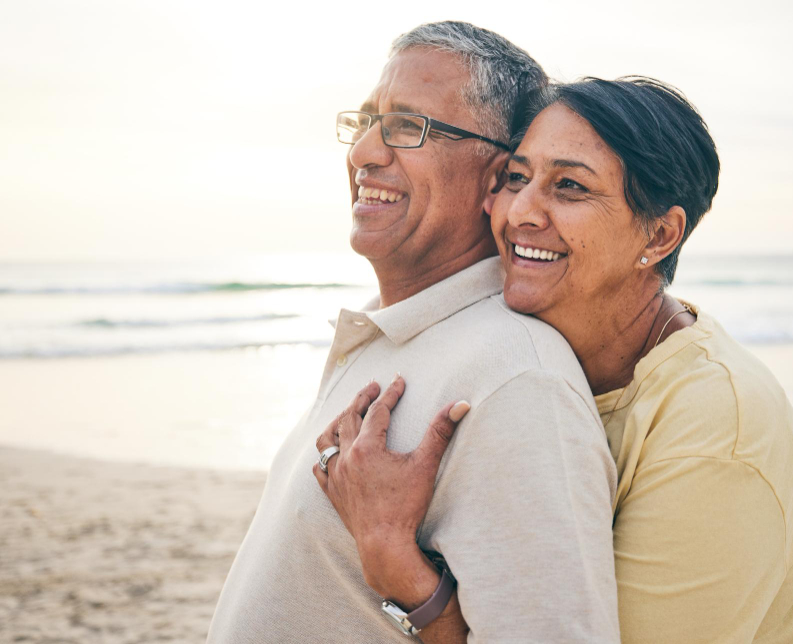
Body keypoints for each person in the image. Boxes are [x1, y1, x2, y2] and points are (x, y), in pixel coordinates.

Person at [316, 77, 793, 643]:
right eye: (517, 178)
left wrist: (395, 564)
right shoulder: (539, 364)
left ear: (661, 234)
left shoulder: (716, 426)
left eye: (569, 187)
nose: (520, 211)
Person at [207, 22, 622, 642]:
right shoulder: (399, 331)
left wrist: (398, 568)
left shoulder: (517, 378)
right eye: (367, 121)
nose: (364, 153)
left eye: (407, 127)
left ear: (498, 178)